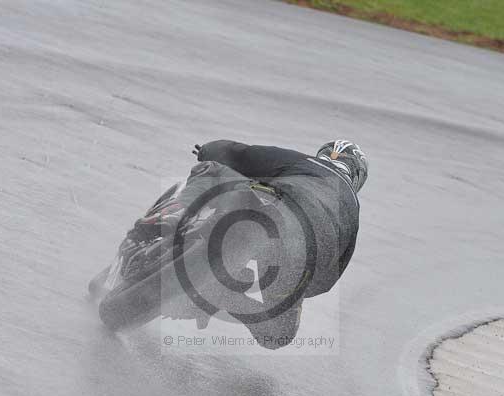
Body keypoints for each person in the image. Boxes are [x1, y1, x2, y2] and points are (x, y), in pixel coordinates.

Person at [131, 139, 367, 349]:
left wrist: (206, 151)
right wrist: (294, 287)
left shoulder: (306, 163)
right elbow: (327, 279)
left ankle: (175, 213)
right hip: (301, 256)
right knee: (278, 334)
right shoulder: (352, 213)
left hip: (263, 211)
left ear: (324, 155)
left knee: (211, 171)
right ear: (357, 177)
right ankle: (224, 295)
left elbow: (239, 154)